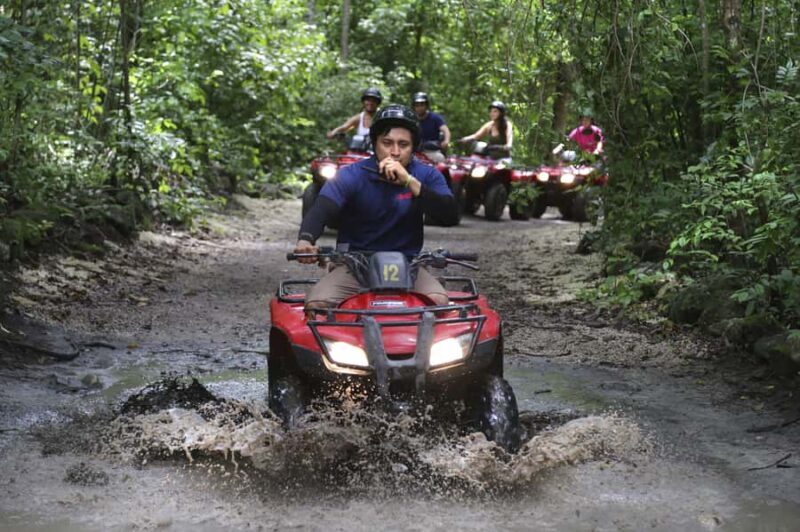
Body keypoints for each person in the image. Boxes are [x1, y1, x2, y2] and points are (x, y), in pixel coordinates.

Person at [296, 104, 458, 310]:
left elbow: (450, 214)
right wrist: (305, 240)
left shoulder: (427, 174)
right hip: (354, 265)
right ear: (374, 144)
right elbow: (322, 208)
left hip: (409, 265)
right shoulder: (351, 174)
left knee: (438, 303)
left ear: (414, 147)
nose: (395, 152)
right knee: (318, 305)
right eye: (387, 143)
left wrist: (409, 181)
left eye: (404, 144)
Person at [412, 92, 451, 163]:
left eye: (422, 105)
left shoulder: (435, 118)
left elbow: (446, 130)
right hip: (414, 151)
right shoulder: (412, 119)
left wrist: (446, 141)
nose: (419, 107)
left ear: (426, 106)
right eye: (417, 105)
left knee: (440, 159)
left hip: (431, 151)